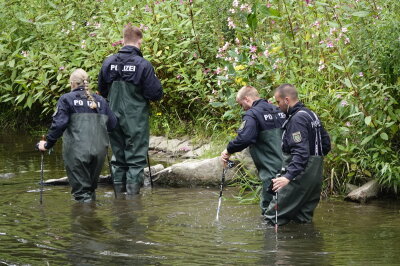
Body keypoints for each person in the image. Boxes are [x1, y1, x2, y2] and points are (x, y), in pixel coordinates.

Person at [98, 24, 163, 196]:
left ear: (123, 40)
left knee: (118, 158)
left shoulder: (108, 62)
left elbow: (102, 91)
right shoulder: (143, 65)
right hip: (135, 119)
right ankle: (134, 204)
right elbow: (156, 93)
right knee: (135, 159)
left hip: (112, 117)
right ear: (139, 41)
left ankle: (119, 200)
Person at [37, 69, 117, 202]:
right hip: (99, 151)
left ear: (72, 83)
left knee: (81, 193)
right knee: (90, 189)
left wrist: (47, 144)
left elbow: (59, 125)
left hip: (77, 152)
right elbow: (113, 124)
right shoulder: (101, 100)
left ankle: (84, 220)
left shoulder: (67, 99)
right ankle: (93, 219)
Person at [264, 83, 331, 225]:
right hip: (316, 175)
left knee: (273, 217)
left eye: (278, 102)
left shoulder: (297, 120)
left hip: (299, 175)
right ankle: (304, 246)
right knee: (302, 217)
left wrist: (288, 176)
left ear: (287, 100)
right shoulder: (311, 114)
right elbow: (326, 144)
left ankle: (272, 247)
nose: (278, 106)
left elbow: (301, 151)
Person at [221, 85, 286, 215]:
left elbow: (245, 138)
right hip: (291, 169)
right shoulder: (279, 110)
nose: (242, 108)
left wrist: (228, 150)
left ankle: (271, 234)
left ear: (246, 99)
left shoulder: (252, 114)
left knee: (269, 211)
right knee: (288, 207)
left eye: (241, 105)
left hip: (271, 170)